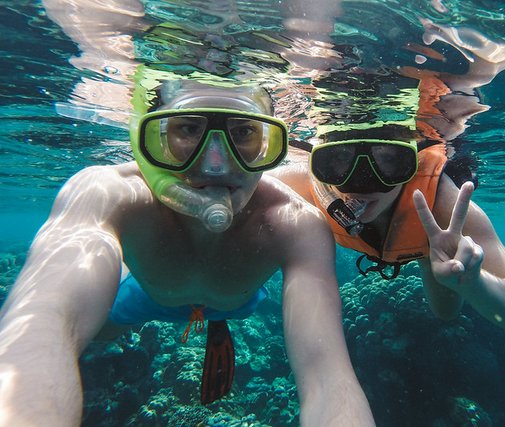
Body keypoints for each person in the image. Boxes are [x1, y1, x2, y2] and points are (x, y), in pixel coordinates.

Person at [0, 75, 375, 426]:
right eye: (188, 129)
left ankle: (216, 325)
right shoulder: (107, 194)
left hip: (234, 305)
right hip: (148, 296)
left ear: (269, 146)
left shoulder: (295, 224)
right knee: (101, 332)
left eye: (243, 132)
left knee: (226, 308)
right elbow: (44, 322)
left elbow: (328, 377)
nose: (215, 165)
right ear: (153, 140)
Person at [271, 124, 505, 336]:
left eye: (388, 159)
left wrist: (474, 283)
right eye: (339, 160)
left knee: (446, 313)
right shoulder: (302, 186)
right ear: (319, 163)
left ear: (411, 164)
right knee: (445, 313)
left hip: (433, 243)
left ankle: (428, 256)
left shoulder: (443, 204)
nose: (363, 181)